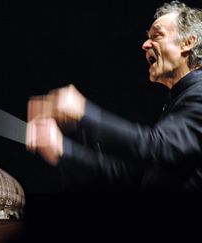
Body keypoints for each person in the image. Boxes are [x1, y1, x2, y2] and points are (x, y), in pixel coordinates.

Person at [26, 1, 202, 191]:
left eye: (157, 35)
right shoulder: (178, 101)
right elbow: (132, 175)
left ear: (188, 43)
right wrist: (61, 149)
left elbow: (160, 147)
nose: (145, 45)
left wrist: (83, 113)